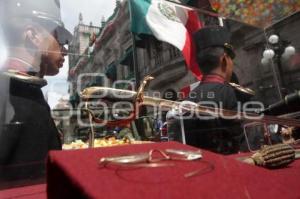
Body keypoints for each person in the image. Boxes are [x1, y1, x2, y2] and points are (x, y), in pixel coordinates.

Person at [0, 0, 72, 182]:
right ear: (33, 35)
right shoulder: (15, 95)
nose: (65, 50)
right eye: (61, 37)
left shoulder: (26, 89)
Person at [174, 26, 242, 154]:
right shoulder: (227, 92)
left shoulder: (190, 96)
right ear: (224, 60)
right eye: (231, 59)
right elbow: (238, 140)